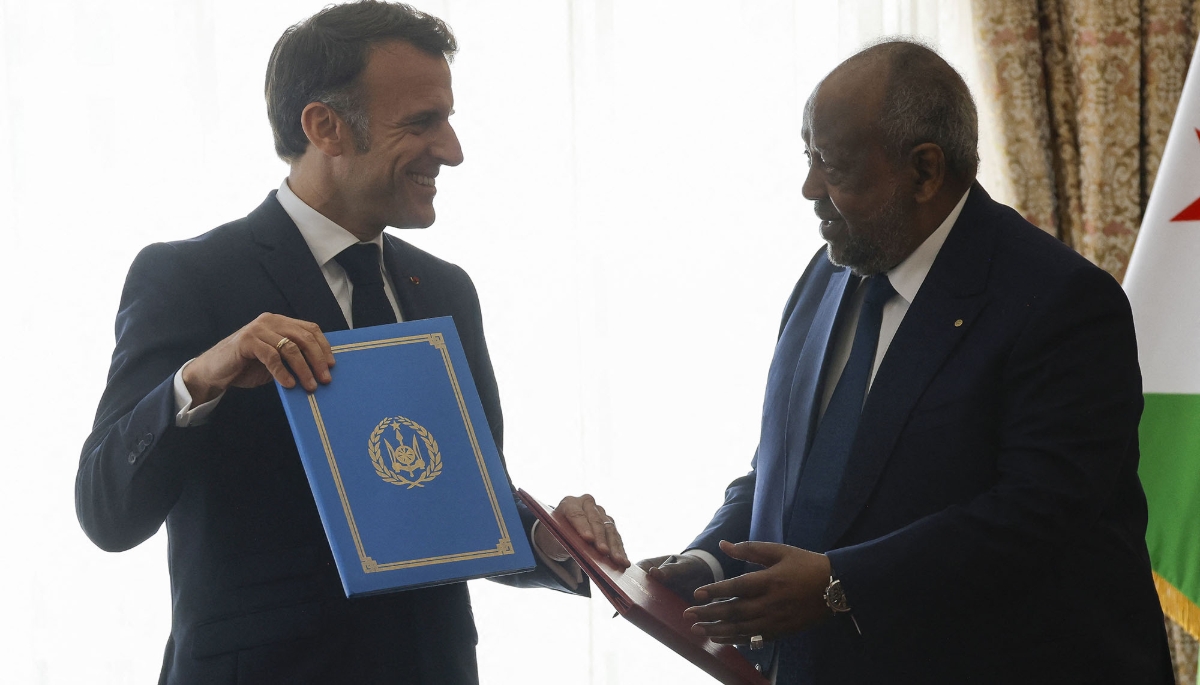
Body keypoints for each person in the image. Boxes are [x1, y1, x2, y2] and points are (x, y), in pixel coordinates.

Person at [75, 3, 628, 683]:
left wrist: (546, 537)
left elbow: (448, 506)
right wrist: (203, 376)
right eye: (423, 122)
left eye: (448, 119)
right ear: (324, 126)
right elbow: (106, 511)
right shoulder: (189, 278)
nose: (452, 149)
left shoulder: (447, 292)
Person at [640, 41, 1173, 684]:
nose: (809, 189)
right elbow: (788, 468)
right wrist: (709, 564)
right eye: (809, 157)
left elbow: (1038, 517)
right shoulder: (829, 273)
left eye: (833, 166)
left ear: (924, 171)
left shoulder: (1061, 302)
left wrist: (842, 583)